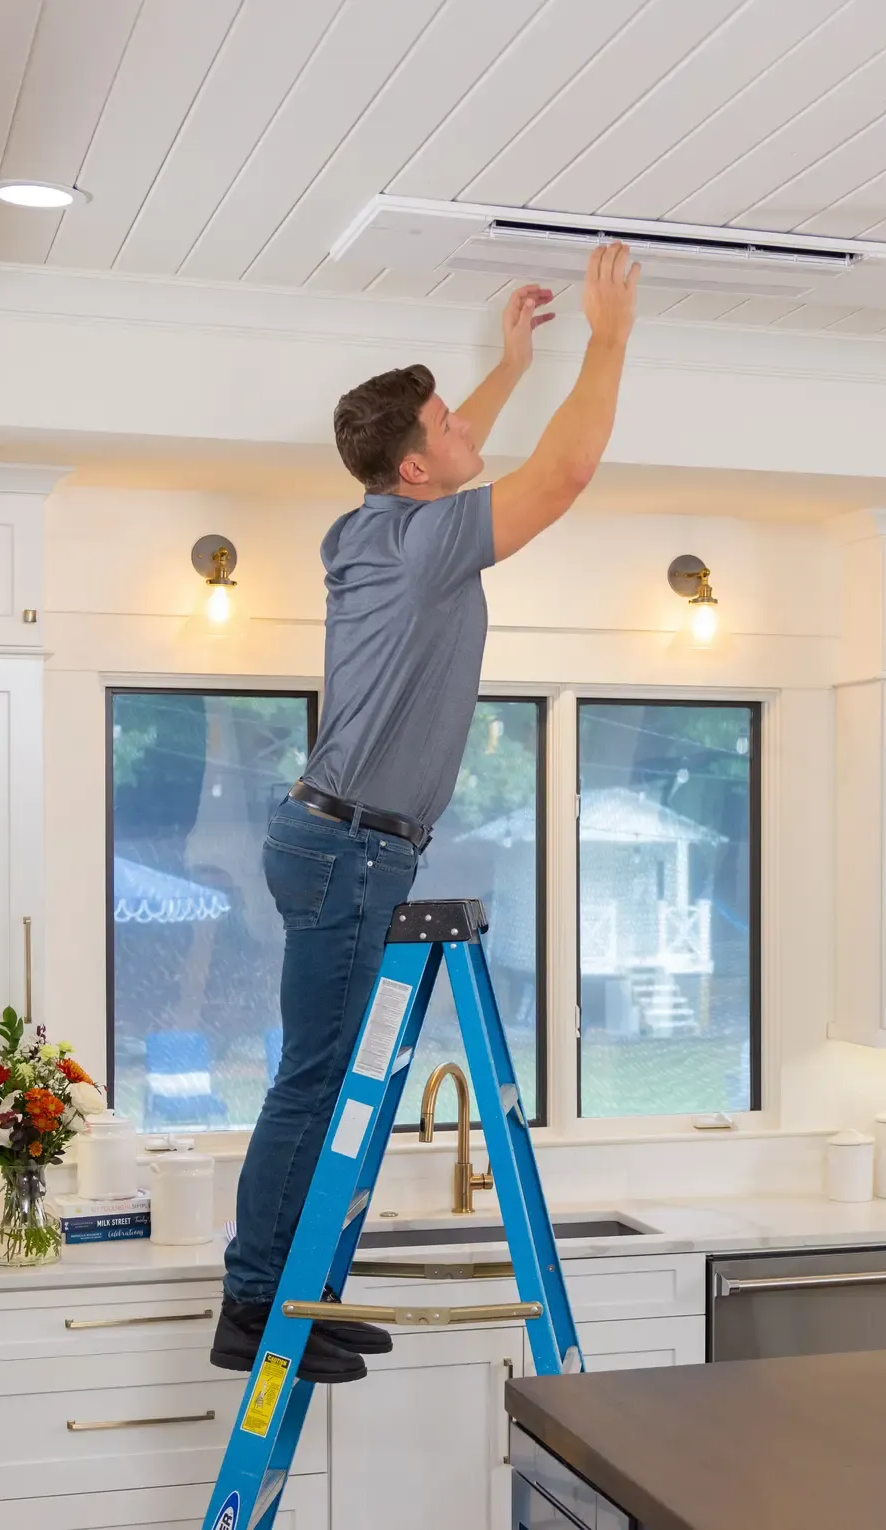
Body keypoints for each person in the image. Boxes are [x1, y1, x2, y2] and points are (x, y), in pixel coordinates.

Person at [211, 244, 641, 1383]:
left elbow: (456, 455)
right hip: (352, 846)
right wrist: (605, 342)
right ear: (413, 467)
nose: (469, 429)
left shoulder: (370, 524)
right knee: (314, 1080)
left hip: (335, 834)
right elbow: (564, 473)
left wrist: (506, 364)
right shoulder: (422, 542)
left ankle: (291, 1291)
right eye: (450, 421)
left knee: (322, 1074)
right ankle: (255, 1305)